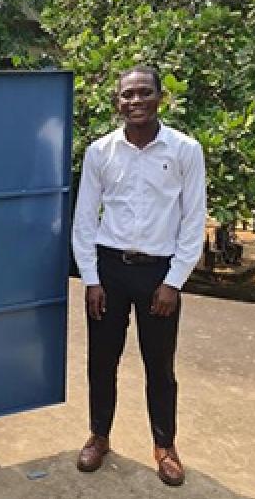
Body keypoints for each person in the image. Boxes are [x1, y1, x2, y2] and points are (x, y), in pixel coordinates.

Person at [71, 65, 206, 486]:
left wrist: (174, 281)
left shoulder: (184, 150)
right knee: (101, 361)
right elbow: (84, 221)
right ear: (118, 102)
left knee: (159, 365)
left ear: (159, 99)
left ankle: (165, 446)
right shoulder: (100, 152)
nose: (135, 101)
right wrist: (91, 279)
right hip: (110, 270)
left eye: (143, 93)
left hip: (159, 275)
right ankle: (99, 435)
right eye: (127, 95)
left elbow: (193, 218)